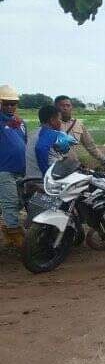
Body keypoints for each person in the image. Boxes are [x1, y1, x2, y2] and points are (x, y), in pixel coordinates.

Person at [0, 85, 27, 248]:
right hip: (4, 170)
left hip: (20, 170)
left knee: (19, 202)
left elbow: (25, 143)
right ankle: (15, 237)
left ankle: (9, 232)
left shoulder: (20, 122)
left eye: (13, 103)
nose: (10, 107)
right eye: (6, 103)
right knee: (10, 202)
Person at [25, 105, 76, 182]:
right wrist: (46, 173)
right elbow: (40, 148)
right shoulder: (50, 133)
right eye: (59, 119)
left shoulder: (32, 133)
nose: (61, 122)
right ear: (52, 120)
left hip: (30, 176)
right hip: (42, 180)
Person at [55, 95, 105, 164]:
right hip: (54, 165)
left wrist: (104, 159)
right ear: (56, 108)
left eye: (68, 105)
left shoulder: (78, 124)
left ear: (72, 107)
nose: (65, 108)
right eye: (62, 106)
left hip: (72, 165)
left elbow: (90, 146)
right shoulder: (51, 124)